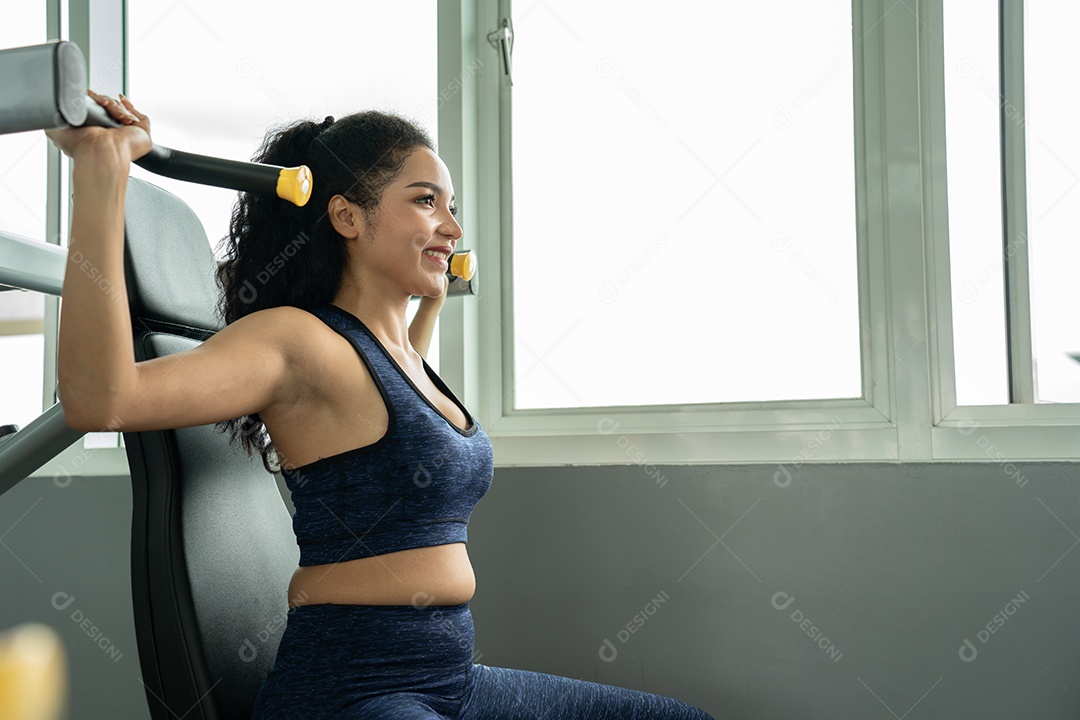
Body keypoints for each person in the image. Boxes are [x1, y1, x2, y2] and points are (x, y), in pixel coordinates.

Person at [47, 90, 716, 720]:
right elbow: (100, 398)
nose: (451, 227)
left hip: (448, 681)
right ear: (346, 216)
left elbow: (395, 425)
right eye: (426, 202)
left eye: (452, 207)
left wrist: (423, 307)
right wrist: (101, 178)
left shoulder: (393, 355)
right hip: (350, 691)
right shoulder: (296, 339)